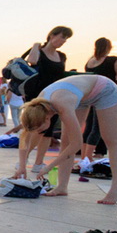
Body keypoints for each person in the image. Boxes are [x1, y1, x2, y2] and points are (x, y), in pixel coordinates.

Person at [18, 74, 117, 204]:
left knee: (111, 139)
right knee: (66, 141)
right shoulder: (35, 107)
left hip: (104, 90)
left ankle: (116, 189)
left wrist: (50, 166)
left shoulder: (61, 105)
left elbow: (77, 144)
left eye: (40, 129)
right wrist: (22, 166)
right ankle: (62, 187)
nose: (38, 132)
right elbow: (25, 137)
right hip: (80, 95)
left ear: (47, 119)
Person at [21, 26, 72, 174]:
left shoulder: (61, 56)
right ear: (52, 35)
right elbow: (32, 61)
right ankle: (23, 159)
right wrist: (36, 46)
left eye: (66, 39)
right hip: (38, 95)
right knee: (35, 129)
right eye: (62, 37)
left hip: (55, 95)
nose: (63, 41)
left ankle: (38, 162)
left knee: (47, 132)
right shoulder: (39, 52)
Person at [82, 37, 117, 160]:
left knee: (89, 126)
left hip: (91, 96)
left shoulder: (90, 62)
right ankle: (88, 157)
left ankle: (86, 155)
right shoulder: (114, 60)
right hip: (106, 97)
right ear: (109, 47)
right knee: (99, 128)